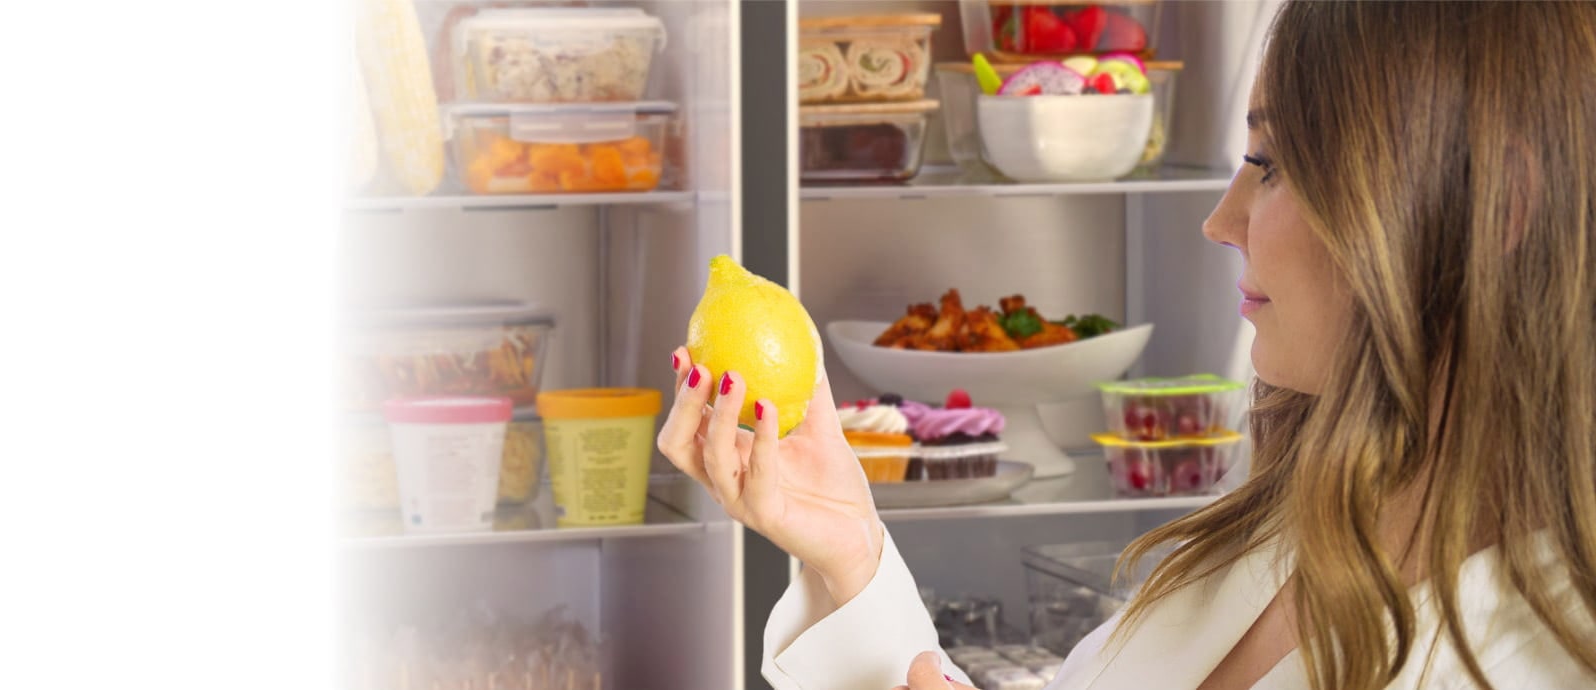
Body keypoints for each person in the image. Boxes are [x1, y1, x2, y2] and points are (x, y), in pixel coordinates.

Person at [657, 3, 1596, 688]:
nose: (1222, 221)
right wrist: (849, 550)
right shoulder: (1289, 522)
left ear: (1496, 206)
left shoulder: (1541, 655)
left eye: (1272, 166)